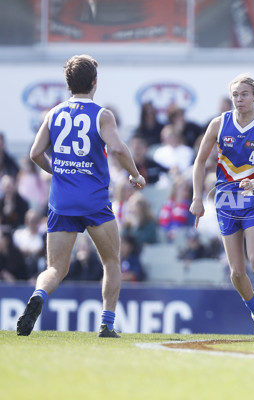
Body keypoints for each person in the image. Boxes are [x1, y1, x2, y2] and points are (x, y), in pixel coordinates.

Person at [16, 54, 146, 338]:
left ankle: (39, 294)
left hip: (61, 201)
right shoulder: (102, 114)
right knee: (111, 262)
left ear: (67, 84)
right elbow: (120, 150)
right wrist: (135, 175)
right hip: (94, 202)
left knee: (55, 268)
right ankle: (107, 324)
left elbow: (35, 153)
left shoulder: (54, 113)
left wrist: (58, 172)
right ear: (95, 82)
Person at [189, 74, 254, 339]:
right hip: (225, 200)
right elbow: (199, 162)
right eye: (235, 95)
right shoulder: (218, 124)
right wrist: (196, 198)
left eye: (244, 94)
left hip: (253, 198)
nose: (239, 99)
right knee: (236, 272)